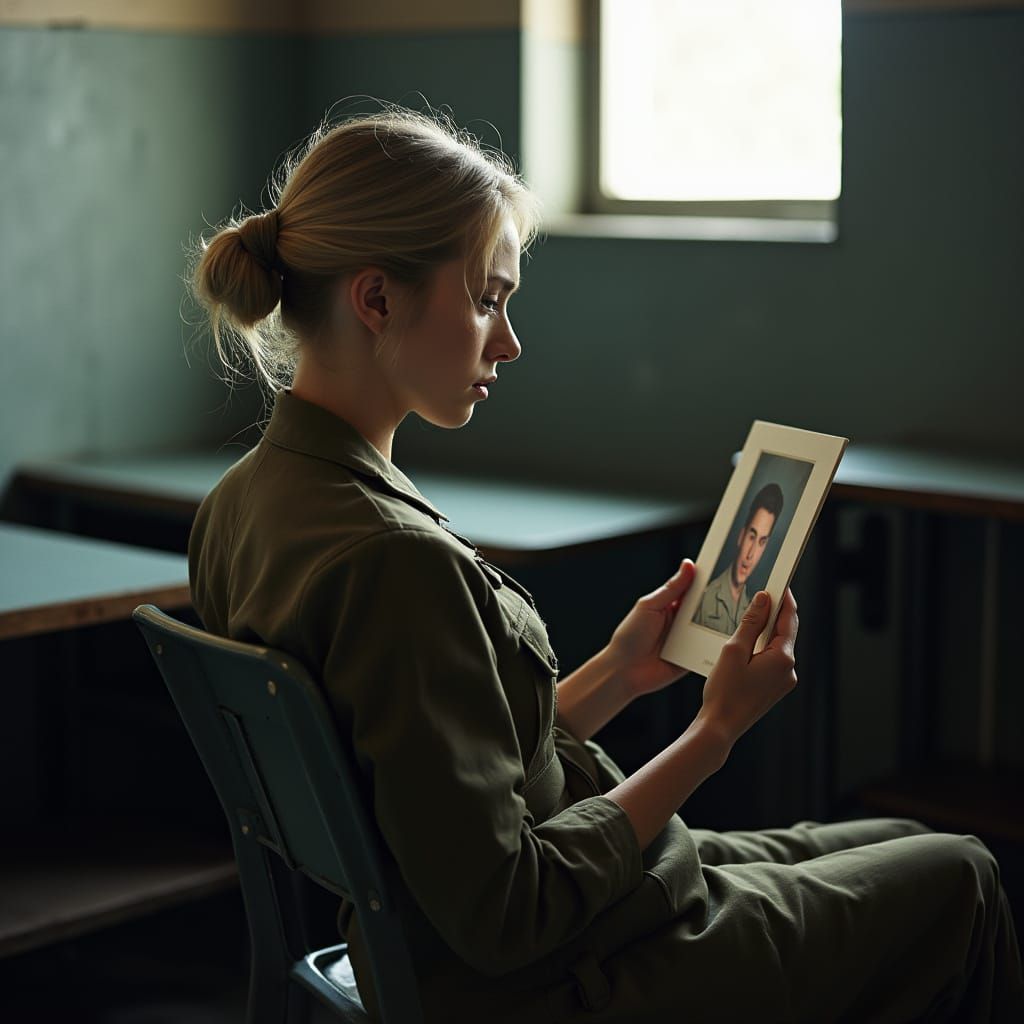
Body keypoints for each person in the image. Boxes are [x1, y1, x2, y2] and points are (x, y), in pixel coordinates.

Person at [187, 106, 1023, 1023]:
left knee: (906, 840)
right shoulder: (395, 563)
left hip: (476, 942)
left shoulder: (242, 505)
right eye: (487, 299)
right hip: (554, 975)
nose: (506, 342)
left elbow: (435, 781)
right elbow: (510, 911)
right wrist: (714, 732)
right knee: (965, 878)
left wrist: (620, 676)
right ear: (377, 300)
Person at [693, 482, 784, 635]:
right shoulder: (704, 599)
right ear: (741, 536)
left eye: (761, 542)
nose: (750, 554)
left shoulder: (752, 608)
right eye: (751, 536)